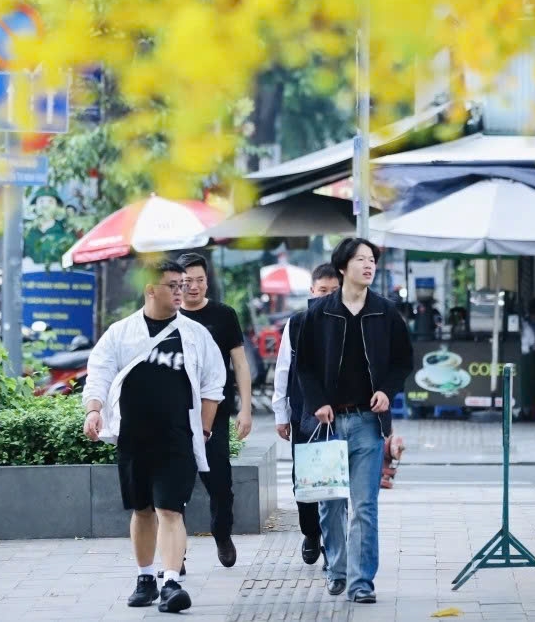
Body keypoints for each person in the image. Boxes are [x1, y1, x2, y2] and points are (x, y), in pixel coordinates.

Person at [81, 259, 226, 614]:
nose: (182, 291)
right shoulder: (121, 332)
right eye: (172, 285)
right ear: (150, 289)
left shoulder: (194, 334)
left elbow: (213, 383)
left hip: (177, 438)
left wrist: (204, 428)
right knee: (142, 510)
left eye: (183, 284)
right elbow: (98, 372)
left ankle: (171, 581)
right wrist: (93, 410)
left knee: (170, 509)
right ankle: (145, 577)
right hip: (133, 437)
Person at [294, 238, 413, 604]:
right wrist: (317, 403)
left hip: (368, 422)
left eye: (372, 260)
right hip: (328, 423)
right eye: (360, 259)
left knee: (364, 506)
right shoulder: (320, 313)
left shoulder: (385, 311)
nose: (368, 265)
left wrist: (387, 390)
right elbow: (305, 365)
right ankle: (337, 570)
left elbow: (402, 360)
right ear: (343, 266)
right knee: (330, 504)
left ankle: (362, 582)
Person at [175, 252, 253, 569]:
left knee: (220, 484)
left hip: (215, 414)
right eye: (187, 281)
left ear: (208, 281)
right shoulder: (168, 316)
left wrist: (246, 409)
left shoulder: (223, 315)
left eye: (199, 280)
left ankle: (221, 532)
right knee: (173, 488)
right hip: (175, 414)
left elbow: (240, 363)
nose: (193, 287)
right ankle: (174, 556)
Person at [271, 263, 341, 567]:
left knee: (336, 484)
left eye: (334, 291)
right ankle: (311, 533)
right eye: (322, 291)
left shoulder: (349, 321)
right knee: (306, 483)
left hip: (342, 414)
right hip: (305, 415)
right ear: (312, 291)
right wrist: (280, 413)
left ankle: (334, 546)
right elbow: (283, 369)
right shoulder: (297, 323)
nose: (327, 297)